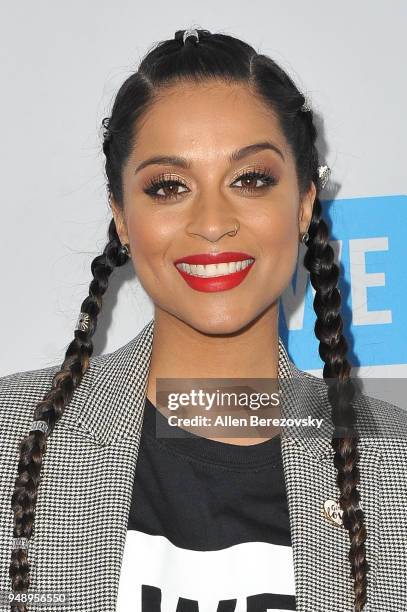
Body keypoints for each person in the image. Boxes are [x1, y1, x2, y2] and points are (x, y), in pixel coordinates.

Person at [1, 27, 406, 612]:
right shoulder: (14, 438)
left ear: (305, 204)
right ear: (121, 217)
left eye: (250, 180)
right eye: (169, 187)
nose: (212, 221)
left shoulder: (392, 466)